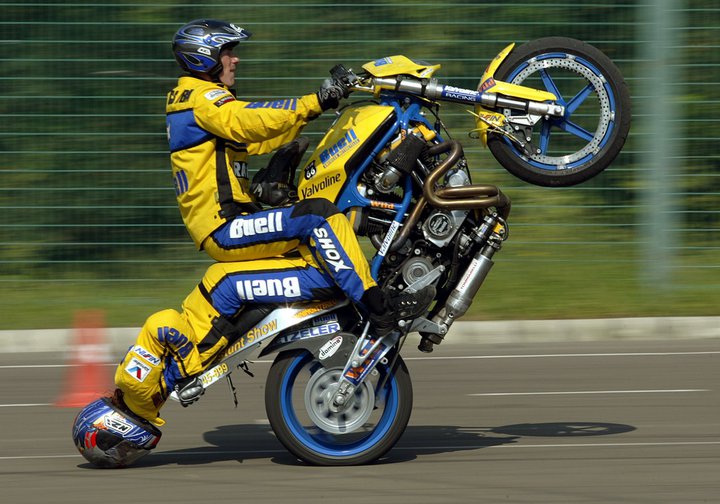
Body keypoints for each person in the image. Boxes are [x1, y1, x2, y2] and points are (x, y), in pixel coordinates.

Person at [166, 19, 432, 337]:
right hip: (225, 227)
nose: (235, 59)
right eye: (227, 52)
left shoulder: (198, 104)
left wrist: (315, 110)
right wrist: (314, 101)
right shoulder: (201, 100)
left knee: (324, 247)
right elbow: (249, 122)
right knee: (319, 215)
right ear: (204, 56)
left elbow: (257, 139)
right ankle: (378, 308)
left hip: (232, 222)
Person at [72, 256, 433, 468]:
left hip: (220, 304)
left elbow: (161, 323)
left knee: (321, 282)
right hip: (223, 322)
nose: (128, 451)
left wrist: (187, 367)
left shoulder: (132, 384)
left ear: (110, 426)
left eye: (118, 447)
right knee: (310, 296)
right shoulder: (147, 401)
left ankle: (385, 293)